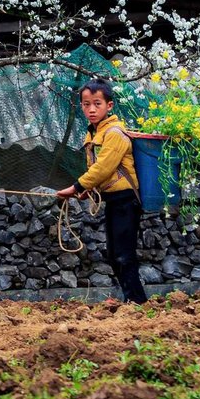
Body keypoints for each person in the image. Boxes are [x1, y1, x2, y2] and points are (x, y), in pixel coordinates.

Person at [55, 78, 148, 304]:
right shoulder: (95, 132)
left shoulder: (115, 132)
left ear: (109, 106)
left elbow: (103, 166)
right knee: (114, 253)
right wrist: (91, 189)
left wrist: (78, 186)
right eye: (86, 104)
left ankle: (137, 302)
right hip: (113, 199)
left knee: (123, 254)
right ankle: (132, 300)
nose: (91, 109)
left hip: (125, 200)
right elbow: (101, 170)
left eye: (97, 103)